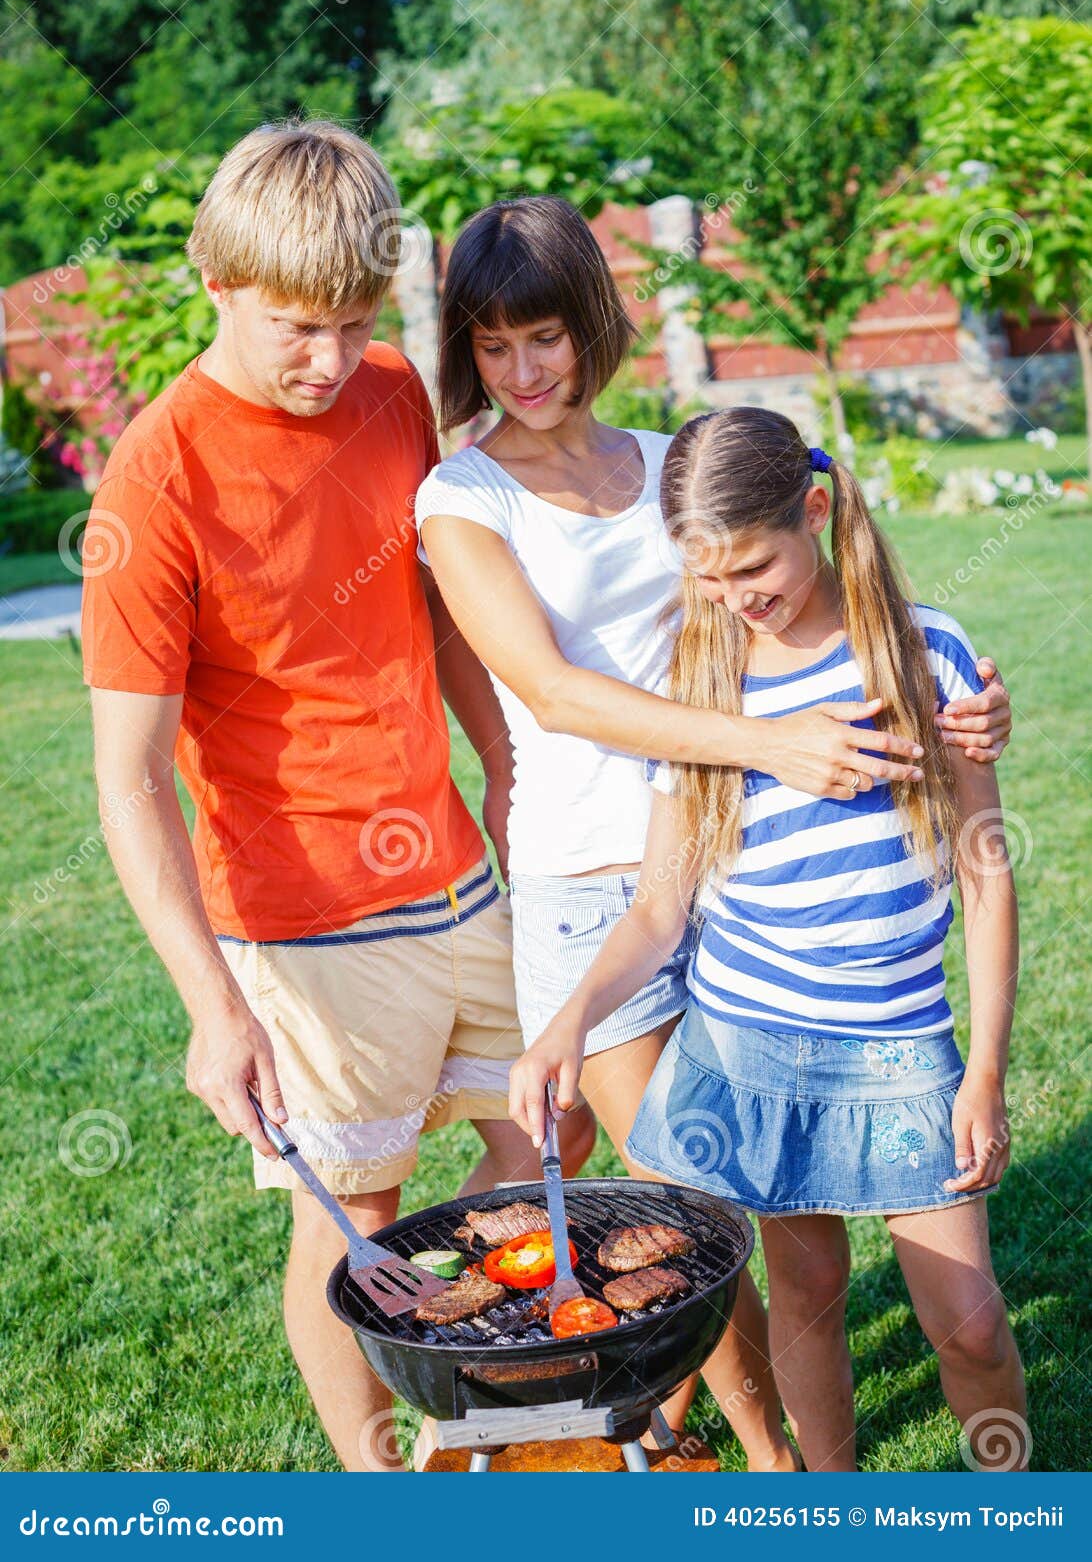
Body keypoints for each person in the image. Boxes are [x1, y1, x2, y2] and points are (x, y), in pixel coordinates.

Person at [415, 197, 1013, 1466]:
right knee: (696, 1219)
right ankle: (763, 1459)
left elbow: (816, 518)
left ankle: (769, 1447)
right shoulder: (463, 494)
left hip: (747, 870)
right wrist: (770, 744)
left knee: (765, 1214)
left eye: (547, 338)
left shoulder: (667, 461)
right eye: (492, 345)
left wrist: (950, 686)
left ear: (595, 325)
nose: (523, 372)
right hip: (607, 873)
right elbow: (558, 692)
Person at [81, 121, 564, 1473]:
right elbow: (129, 780)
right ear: (215, 279)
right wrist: (211, 1005)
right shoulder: (156, 478)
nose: (330, 362)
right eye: (298, 328)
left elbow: (440, 606)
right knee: (351, 1216)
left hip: (457, 868)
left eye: (355, 325)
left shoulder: (397, 389)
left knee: (557, 1122)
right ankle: (383, 1486)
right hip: (302, 920)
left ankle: (483, 1402)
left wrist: (507, 768)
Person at [508, 407, 1026, 1472]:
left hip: (902, 1049)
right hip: (756, 1045)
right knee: (805, 1296)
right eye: (707, 577)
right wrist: (568, 1021)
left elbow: (984, 872)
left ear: (818, 512)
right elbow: (660, 908)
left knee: (969, 1322)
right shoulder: (701, 693)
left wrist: (983, 1072)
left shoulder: (929, 654)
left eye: (752, 566)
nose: (736, 599)